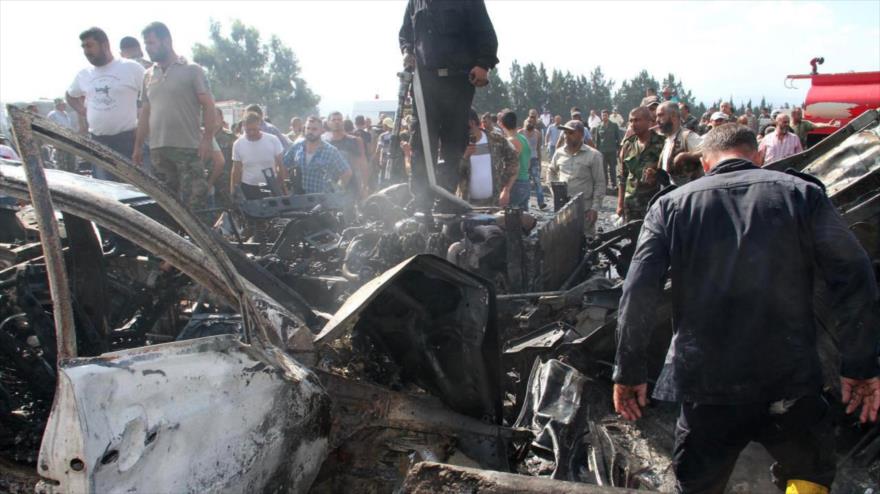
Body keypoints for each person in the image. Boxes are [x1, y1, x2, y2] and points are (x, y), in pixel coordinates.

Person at [612, 123, 879, 494]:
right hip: (790, 379)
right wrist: (861, 367)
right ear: (759, 156)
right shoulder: (803, 194)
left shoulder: (670, 205)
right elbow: (854, 275)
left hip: (706, 385)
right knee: (809, 474)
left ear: (705, 164)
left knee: (698, 483)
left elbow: (638, 291)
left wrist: (628, 370)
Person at [399, 0, 498, 210]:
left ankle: (446, 201)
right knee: (421, 143)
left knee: (454, 143)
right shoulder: (415, 2)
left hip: (458, 83)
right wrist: (407, 51)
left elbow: (485, 31)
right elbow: (406, 33)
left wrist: (483, 63)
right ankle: (421, 202)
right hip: (425, 85)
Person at [133, 21, 216, 217]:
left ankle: (200, 247)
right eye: (146, 44)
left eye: (151, 43)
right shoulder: (148, 75)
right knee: (166, 208)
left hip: (187, 148)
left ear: (166, 41)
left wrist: (207, 140)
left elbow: (209, 105)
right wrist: (137, 146)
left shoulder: (191, 70)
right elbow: (145, 112)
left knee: (195, 208)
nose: (148, 49)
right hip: (159, 151)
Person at [66, 27, 145, 181]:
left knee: (135, 191)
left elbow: (151, 97)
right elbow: (70, 95)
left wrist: (142, 126)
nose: (86, 51)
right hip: (99, 143)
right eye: (83, 47)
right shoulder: (84, 74)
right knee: (107, 191)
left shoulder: (131, 68)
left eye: (89, 45)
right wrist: (83, 111)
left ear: (104, 45)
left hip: (129, 141)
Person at [548, 120, 605, 236]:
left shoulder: (594, 155)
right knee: (563, 243)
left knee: (585, 244)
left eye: (570, 133)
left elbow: (600, 183)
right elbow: (551, 171)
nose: (566, 136)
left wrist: (594, 209)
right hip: (563, 209)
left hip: (584, 210)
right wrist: (555, 191)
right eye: (565, 133)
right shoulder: (559, 153)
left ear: (581, 135)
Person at [456, 108, 518, 206]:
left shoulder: (496, 140)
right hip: (467, 205)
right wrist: (465, 157)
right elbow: (453, 174)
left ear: (472, 123)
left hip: (493, 204)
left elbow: (514, 160)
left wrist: (506, 189)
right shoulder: (458, 144)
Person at [617, 106, 664, 221]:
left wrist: (656, 173)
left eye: (637, 120)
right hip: (631, 205)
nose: (633, 124)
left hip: (654, 204)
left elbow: (669, 174)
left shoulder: (662, 143)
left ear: (649, 122)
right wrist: (620, 204)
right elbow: (622, 176)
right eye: (631, 121)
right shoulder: (628, 145)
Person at [282, 116, 352, 194]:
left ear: (322, 131)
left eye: (314, 129)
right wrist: (286, 188)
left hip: (322, 202)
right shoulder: (297, 146)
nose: (310, 132)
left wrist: (337, 191)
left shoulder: (331, 151)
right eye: (308, 128)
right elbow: (283, 165)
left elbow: (346, 172)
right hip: (298, 200)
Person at [231, 111, 285, 200]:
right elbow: (236, 169)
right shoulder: (238, 144)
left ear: (259, 125)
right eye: (248, 130)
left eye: (254, 129)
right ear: (243, 127)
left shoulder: (273, 140)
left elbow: (281, 165)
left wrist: (280, 184)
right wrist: (233, 192)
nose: (251, 133)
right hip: (249, 188)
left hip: (270, 186)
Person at [656, 102, 702, 186]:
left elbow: (708, 151)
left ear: (673, 115)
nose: (657, 120)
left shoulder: (687, 137)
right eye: (657, 116)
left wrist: (686, 155)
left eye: (661, 115)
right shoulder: (668, 140)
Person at [325, 111, 369, 199]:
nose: (337, 122)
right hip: (328, 186)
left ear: (343, 122)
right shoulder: (324, 143)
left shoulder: (355, 141)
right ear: (328, 123)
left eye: (339, 120)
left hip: (351, 187)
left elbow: (363, 165)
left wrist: (364, 186)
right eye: (334, 120)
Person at [498, 109, 531, 209]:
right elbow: (528, 162)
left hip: (515, 184)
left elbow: (513, 167)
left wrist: (506, 189)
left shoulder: (511, 142)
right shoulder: (523, 138)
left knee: (509, 219)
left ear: (502, 125)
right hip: (525, 182)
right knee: (522, 219)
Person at [520, 113, 546, 209]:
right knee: (525, 182)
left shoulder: (538, 134)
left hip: (534, 159)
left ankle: (541, 202)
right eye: (529, 121)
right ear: (526, 122)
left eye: (532, 121)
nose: (530, 123)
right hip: (524, 160)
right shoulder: (521, 132)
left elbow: (538, 149)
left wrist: (540, 162)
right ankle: (524, 203)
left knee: (537, 181)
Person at [592, 109, 622, 190]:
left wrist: (619, 149)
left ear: (608, 116)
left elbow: (618, 138)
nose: (604, 117)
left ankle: (614, 184)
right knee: (603, 169)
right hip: (602, 151)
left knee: (612, 169)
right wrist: (596, 151)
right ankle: (605, 185)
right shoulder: (598, 127)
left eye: (605, 115)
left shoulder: (614, 125)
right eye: (602, 115)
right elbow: (597, 140)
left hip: (612, 150)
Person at [47, 98, 77, 172]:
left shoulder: (65, 114)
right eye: (62, 104)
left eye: (64, 104)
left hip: (69, 141)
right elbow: (49, 128)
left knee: (71, 162)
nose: (64, 105)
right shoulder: (52, 115)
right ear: (57, 105)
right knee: (61, 164)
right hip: (59, 142)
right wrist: (53, 141)